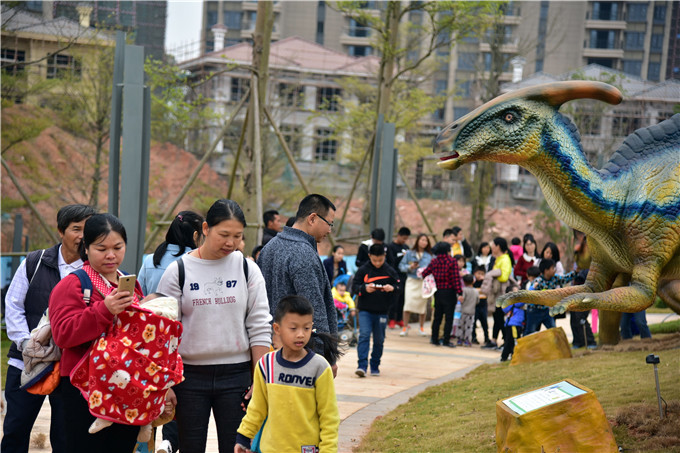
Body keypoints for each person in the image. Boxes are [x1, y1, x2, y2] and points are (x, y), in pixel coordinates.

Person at [156, 199, 272, 452]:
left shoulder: (247, 269)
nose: (230, 243)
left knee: (237, 447)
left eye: (238, 236)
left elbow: (260, 325)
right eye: (224, 235)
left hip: (237, 376)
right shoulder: (178, 271)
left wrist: (259, 379)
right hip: (188, 377)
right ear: (206, 229)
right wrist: (165, 384)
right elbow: (163, 333)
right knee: (190, 447)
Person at [3, 204, 96, 453]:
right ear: (60, 231)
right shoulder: (35, 262)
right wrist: (26, 344)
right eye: (76, 229)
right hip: (27, 363)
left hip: (71, 367)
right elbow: (13, 305)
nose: (82, 236)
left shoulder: (94, 271)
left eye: (87, 230)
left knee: (66, 436)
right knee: (15, 430)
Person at [49, 213, 143, 452]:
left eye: (118, 247)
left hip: (126, 385)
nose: (111, 255)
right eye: (101, 248)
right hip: (83, 388)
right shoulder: (73, 284)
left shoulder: (129, 283)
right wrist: (104, 310)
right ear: (86, 249)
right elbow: (63, 334)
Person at [234, 295, 340, 453]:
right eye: (293, 328)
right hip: (270, 448)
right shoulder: (265, 364)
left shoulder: (320, 367)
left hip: (306, 449)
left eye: (306, 328)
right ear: (277, 329)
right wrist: (243, 437)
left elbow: (329, 416)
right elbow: (257, 407)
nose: (300, 334)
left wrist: (328, 449)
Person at [75, 293, 182, 443]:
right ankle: (144, 423)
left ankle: (107, 415)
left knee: (105, 356)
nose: (141, 302)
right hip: (148, 360)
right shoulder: (170, 323)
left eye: (144, 301)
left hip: (143, 358)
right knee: (146, 389)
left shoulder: (155, 318)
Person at [137, 211, 203, 453]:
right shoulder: (193, 262)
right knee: (177, 398)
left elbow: (141, 297)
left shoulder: (150, 260)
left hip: (149, 340)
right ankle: (170, 442)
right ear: (197, 234)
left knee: (150, 394)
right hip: (180, 340)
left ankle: (149, 443)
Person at [258, 194, 338, 375]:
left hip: (271, 350)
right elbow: (315, 309)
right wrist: (326, 358)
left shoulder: (270, 247)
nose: (330, 230)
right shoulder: (304, 254)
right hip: (301, 356)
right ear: (313, 218)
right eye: (330, 223)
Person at [351, 244, 400, 377]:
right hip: (365, 310)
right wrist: (364, 289)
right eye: (374, 260)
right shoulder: (363, 270)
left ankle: (375, 365)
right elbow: (354, 286)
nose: (377, 263)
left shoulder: (390, 270)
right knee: (364, 335)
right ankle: (361, 365)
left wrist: (393, 288)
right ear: (369, 256)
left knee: (379, 340)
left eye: (380, 260)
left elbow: (399, 286)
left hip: (382, 311)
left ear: (384, 256)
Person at [138, 211, 203, 300]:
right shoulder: (197, 263)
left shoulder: (150, 260)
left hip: (151, 312)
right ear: (195, 235)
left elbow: (139, 296)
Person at [421, 241, 462, 348]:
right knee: (449, 318)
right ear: (448, 251)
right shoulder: (452, 261)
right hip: (450, 292)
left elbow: (424, 273)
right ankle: (446, 340)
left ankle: (434, 339)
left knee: (437, 317)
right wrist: (460, 292)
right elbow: (455, 278)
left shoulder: (434, 261)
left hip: (438, 292)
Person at [526, 259, 575, 335]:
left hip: (546, 311)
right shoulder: (538, 281)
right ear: (546, 271)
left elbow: (565, 279)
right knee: (529, 332)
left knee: (553, 330)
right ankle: (523, 345)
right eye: (552, 268)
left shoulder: (554, 278)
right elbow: (529, 294)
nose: (554, 270)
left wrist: (576, 272)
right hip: (534, 311)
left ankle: (557, 345)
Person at [399, 234, 433, 337]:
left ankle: (421, 327)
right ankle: (405, 327)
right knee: (408, 303)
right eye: (422, 240)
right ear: (418, 241)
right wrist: (410, 267)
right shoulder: (409, 253)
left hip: (423, 282)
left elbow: (431, 268)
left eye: (426, 240)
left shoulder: (429, 255)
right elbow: (401, 266)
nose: (424, 242)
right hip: (411, 280)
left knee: (422, 306)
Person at [484, 237, 515, 349]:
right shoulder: (499, 258)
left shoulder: (505, 259)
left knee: (499, 316)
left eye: (493, 245)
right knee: (497, 316)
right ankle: (494, 340)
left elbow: (504, 276)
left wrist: (494, 273)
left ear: (498, 246)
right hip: (496, 293)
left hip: (501, 293)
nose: (492, 247)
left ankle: (507, 341)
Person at [387, 227, 411, 329]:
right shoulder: (390, 247)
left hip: (404, 276)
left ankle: (399, 319)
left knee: (403, 298)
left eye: (406, 239)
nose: (404, 241)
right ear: (398, 235)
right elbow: (391, 262)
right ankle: (391, 319)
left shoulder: (406, 247)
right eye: (403, 238)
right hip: (394, 275)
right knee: (394, 298)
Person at [570, 270, 596, 349]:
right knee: (574, 320)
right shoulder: (577, 266)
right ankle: (578, 342)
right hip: (575, 296)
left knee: (581, 319)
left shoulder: (587, 267)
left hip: (585, 296)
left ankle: (590, 341)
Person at [500, 287, 524, 362]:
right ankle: (514, 355)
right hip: (514, 324)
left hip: (512, 324)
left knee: (509, 340)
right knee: (514, 340)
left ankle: (505, 356)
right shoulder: (514, 302)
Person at [471, 268, 492, 347]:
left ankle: (486, 337)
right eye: (478, 273)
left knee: (484, 322)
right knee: (474, 322)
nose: (480, 276)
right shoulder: (473, 282)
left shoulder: (485, 283)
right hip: (475, 305)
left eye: (482, 274)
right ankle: (473, 337)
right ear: (474, 273)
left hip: (483, 305)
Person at [456, 274, 478, 347]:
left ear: (464, 282)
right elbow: (478, 301)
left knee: (461, 325)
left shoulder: (463, 290)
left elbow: (462, 299)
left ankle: (459, 339)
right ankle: (467, 340)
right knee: (469, 326)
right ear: (473, 281)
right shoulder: (476, 291)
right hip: (471, 312)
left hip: (463, 311)